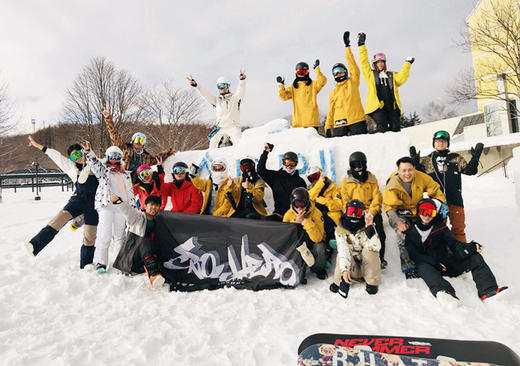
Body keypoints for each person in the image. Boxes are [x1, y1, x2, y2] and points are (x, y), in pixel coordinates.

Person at [405, 198, 508, 303]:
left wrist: (470, 247)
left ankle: (488, 291)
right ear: (418, 212)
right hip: (429, 266)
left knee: (474, 257)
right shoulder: (411, 232)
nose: (427, 215)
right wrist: (435, 263)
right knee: (422, 265)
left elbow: (454, 244)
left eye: (430, 212)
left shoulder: (440, 228)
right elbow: (414, 255)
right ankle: (445, 292)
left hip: (446, 265)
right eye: (423, 211)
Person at [24, 136, 99, 268]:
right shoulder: (72, 168)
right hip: (78, 199)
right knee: (60, 218)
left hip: (94, 202)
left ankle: (86, 264)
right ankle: (34, 245)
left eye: (78, 154)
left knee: (90, 234)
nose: (77, 158)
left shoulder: (97, 164)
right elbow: (55, 155)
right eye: (73, 157)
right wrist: (37, 145)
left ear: (83, 152)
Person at [410, 130, 484, 242]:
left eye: (444, 141)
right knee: (437, 229)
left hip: (455, 200)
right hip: (436, 203)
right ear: (433, 143)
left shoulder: (456, 158)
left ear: (447, 143)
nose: (441, 143)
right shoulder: (426, 160)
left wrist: (476, 156)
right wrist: (415, 163)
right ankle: (443, 254)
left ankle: (461, 253)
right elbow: (418, 177)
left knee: (458, 228)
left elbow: (470, 171)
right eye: (438, 141)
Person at [383, 157, 445, 278]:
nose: (407, 174)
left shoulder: (421, 177)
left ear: (414, 169)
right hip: (399, 214)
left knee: (434, 228)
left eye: (410, 170)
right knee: (403, 234)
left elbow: (436, 191)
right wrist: (398, 223)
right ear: (398, 171)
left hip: (417, 211)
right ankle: (408, 267)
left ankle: (438, 260)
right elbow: (389, 208)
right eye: (404, 170)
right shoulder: (392, 184)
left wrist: (439, 204)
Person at [82, 141, 136, 272]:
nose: (114, 158)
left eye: (117, 156)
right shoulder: (104, 171)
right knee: (104, 234)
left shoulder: (125, 174)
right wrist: (89, 153)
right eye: (112, 156)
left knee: (120, 236)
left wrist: (132, 207)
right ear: (107, 157)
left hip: (122, 207)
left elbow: (130, 192)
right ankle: (101, 262)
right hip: (107, 205)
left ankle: (119, 262)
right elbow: (95, 164)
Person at [358, 32, 414, 133]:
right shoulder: (370, 74)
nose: (380, 64)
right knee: (382, 125)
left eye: (382, 62)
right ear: (375, 64)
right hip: (377, 106)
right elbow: (363, 62)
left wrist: (407, 64)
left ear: (384, 63)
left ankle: (396, 144)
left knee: (395, 127)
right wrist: (361, 45)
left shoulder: (390, 75)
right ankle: (381, 142)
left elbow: (401, 78)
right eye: (378, 62)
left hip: (391, 105)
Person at [103, 106, 175, 183]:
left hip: (137, 182)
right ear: (133, 141)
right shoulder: (125, 148)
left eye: (141, 141)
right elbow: (114, 134)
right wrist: (108, 118)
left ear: (144, 144)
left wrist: (169, 152)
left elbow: (157, 158)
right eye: (137, 139)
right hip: (123, 178)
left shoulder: (146, 157)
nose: (138, 142)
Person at [340, 152, 387, 268]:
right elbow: (344, 200)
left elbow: (377, 198)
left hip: (369, 211)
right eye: (355, 165)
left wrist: (371, 212)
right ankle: (355, 260)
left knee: (379, 229)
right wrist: (352, 212)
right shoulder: (346, 181)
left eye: (360, 165)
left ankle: (380, 258)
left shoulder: (371, 179)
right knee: (352, 232)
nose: (358, 168)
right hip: (354, 212)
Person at [111, 195, 165, 289]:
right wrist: (119, 202)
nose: (154, 207)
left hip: (145, 262)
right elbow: (128, 211)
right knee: (145, 240)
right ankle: (153, 275)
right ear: (145, 205)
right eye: (151, 204)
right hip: (132, 260)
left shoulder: (159, 221)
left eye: (157, 205)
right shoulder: (137, 218)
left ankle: (155, 271)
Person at [330, 200, 381, 298]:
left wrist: (370, 227)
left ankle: (372, 282)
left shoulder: (367, 227)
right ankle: (338, 282)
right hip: (351, 268)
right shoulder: (340, 230)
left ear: (362, 214)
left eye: (357, 212)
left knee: (371, 251)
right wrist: (345, 270)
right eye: (351, 211)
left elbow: (376, 247)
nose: (353, 215)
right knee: (341, 254)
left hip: (365, 266)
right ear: (346, 211)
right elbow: (343, 250)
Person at [325, 31, 367, 137]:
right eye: (335, 72)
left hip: (356, 121)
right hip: (340, 123)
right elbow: (331, 110)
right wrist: (327, 126)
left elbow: (353, 65)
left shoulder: (353, 81)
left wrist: (347, 47)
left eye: (340, 70)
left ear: (345, 71)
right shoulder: (333, 92)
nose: (338, 74)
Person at [187, 71, 246, 148]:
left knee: (238, 143)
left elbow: (241, 89)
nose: (222, 88)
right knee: (212, 143)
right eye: (219, 86)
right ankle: (211, 158)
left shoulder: (235, 98)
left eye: (224, 86)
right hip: (220, 127)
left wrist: (242, 80)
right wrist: (196, 86)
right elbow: (206, 95)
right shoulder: (216, 100)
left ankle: (239, 157)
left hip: (233, 126)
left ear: (228, 86)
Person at [283, 187, 328, 280]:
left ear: (307, 203)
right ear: (292, 203)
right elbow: (285, 236)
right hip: (298, 241)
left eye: (302, 204)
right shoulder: (288, 214)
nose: (300, 208)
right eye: (297, 204)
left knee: (320, 246)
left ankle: (318, 268)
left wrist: (306, 222)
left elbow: (318, 238)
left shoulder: (316, 213)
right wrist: (296, 223)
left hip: (312, 241)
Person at [257, 142, 307, 220]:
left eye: (292, 164)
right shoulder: (275, 177)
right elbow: (260, 170)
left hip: (294, 217)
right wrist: (265, 152)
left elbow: (305, 201)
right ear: (283, 163)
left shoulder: (300, 181)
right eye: (287, 163)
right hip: (279, 215)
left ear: (296, 164)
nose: (289, 166)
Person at [277, 60, 327, 129]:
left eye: (303, 72)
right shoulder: (293, 87)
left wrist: (317, 69)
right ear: (296, 73)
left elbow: (322, 81)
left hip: (311, 122)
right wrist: (281, 86)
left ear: (307, 72)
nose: (301, 74)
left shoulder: (313, 85)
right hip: (298, 123)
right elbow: (283, 97)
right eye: (299, 72)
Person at [306, 166, 342, 246]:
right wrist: (320, 183)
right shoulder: (311, 189)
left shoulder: (332, 187)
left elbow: (339, 205)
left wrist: (321, 200)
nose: (314, 180)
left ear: (321, 175)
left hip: (331, 217)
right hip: (318, 217)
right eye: (311, 178)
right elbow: (309, 197)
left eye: (315, 176)